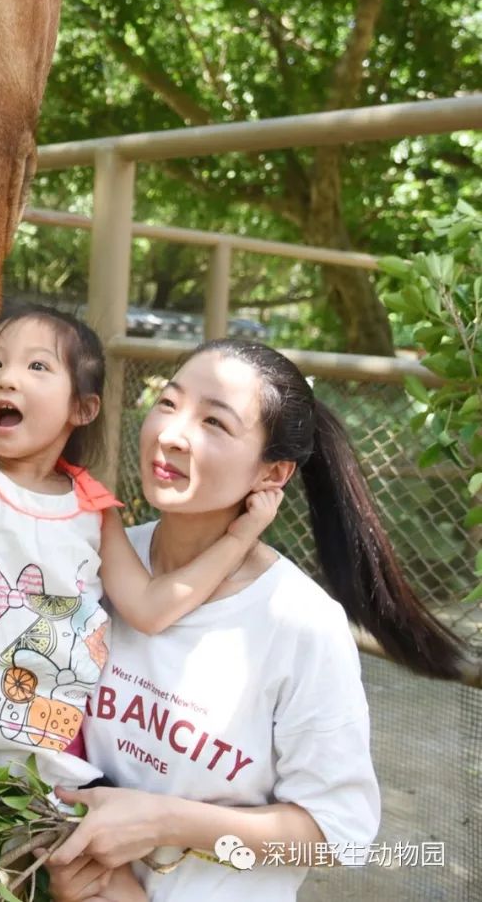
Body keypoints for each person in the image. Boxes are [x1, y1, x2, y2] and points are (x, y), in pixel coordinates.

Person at [44, 339, 466, 901]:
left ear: (274, 472)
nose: (172, 434)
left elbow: (336, 835)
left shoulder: (298, 622)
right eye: (168, 403)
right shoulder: (93, 564)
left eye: (215, 422)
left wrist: (164, 822)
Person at [0, 305, 282, 902]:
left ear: (83, 408)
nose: (7, 378)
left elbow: (150, 606)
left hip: (58, 762)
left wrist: (241, 536)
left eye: (36, 366)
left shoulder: (92, 508)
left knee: (110, 883)